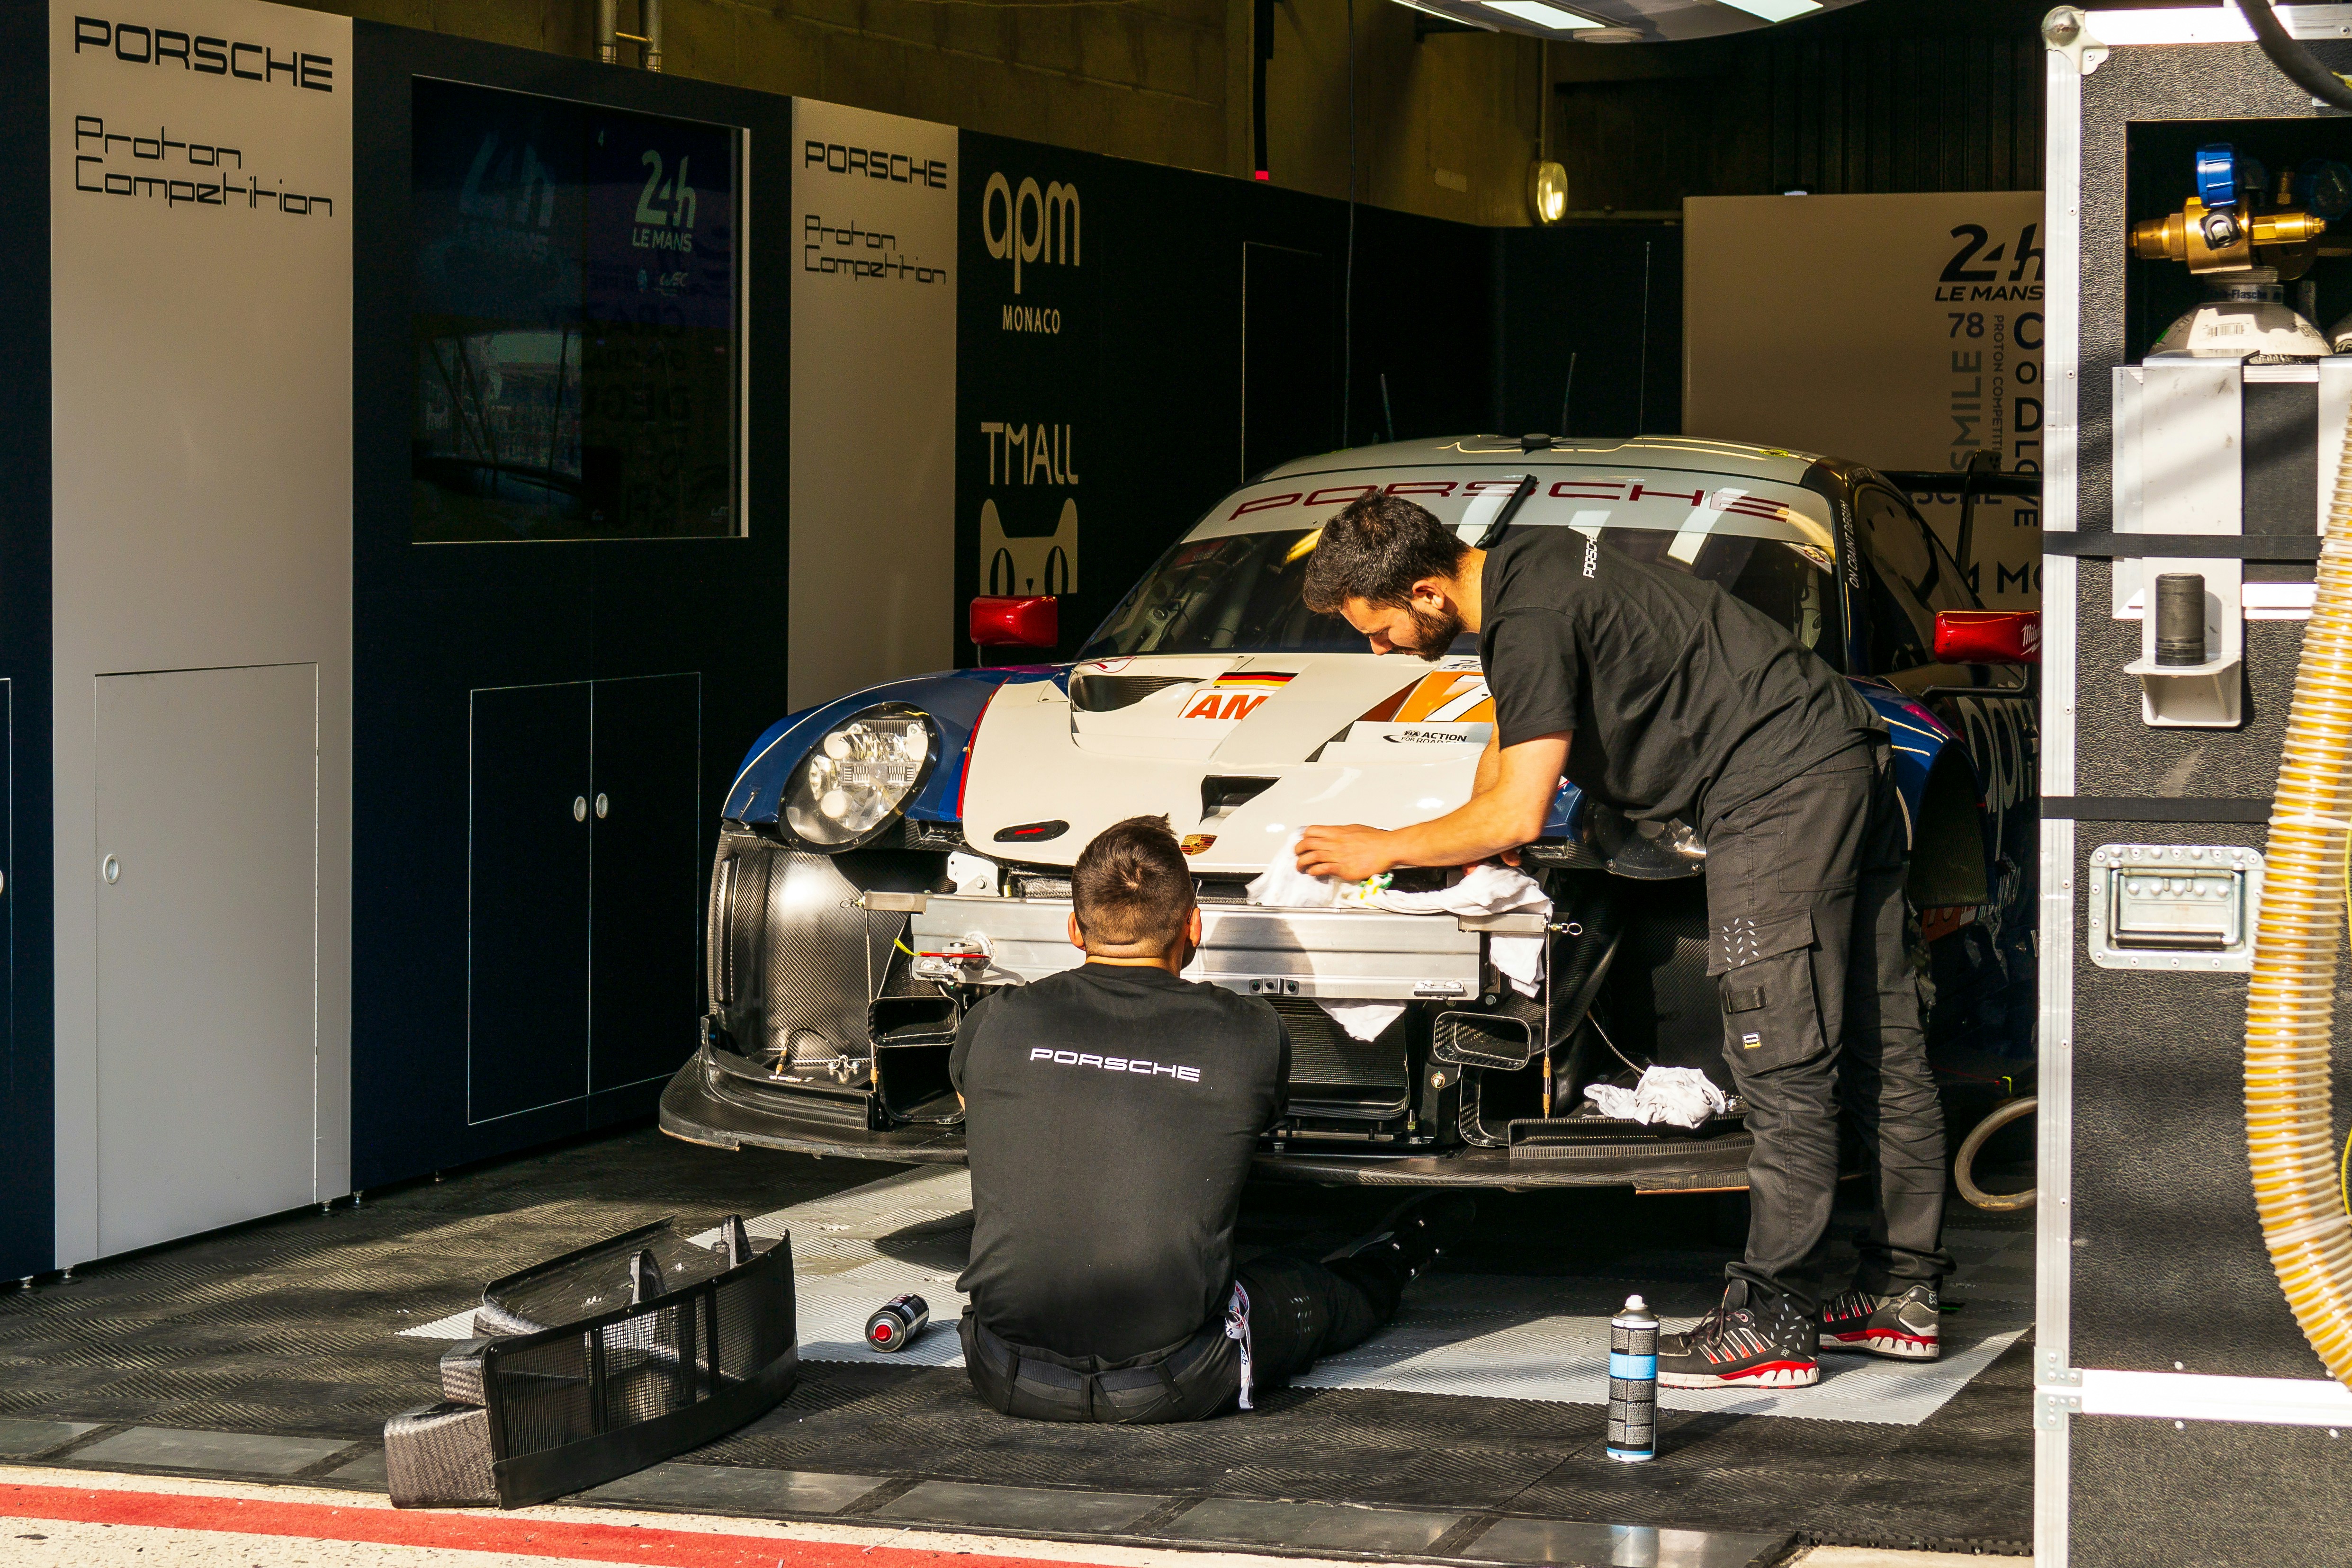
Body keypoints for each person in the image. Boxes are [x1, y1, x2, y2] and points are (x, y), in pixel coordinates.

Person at [1293, 493, 1950, 1389]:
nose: (1380, 648)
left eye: (1379, 629)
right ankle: (1902, 1294)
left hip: (1775, 791)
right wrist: (1472, 827)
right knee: (1883, 1040)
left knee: (1780, 1055)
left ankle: (1771, 1321)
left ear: (1427, 593)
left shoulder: (1526, 618)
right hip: (1835, 754)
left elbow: (1518, 807)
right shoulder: (1534, 564)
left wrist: (1384, 846)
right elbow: (1516, 737)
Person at [950, 813, 1474, 1422]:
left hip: (1002, 1371)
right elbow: (1247, 1132)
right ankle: (1398, 1256)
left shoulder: (993, 1020)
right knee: (1305, 1287)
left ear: (1074, 927)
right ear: (1193, 926)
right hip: (1175, 1379)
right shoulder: (1249, 1029)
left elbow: (984, 1110)